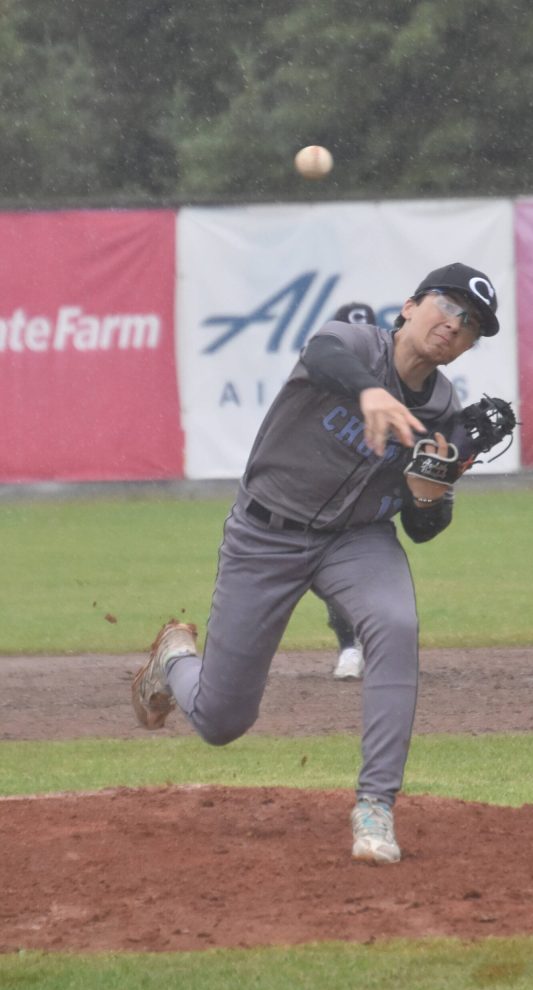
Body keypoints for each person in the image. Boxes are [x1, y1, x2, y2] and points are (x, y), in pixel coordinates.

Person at [132, 261, 500, 865]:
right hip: (265, 533)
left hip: (356, 541)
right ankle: (174, 656)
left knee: (396, 625)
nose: (456, 325)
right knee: (221, 720)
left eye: (472, 324)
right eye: (449, 306)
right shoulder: (355, 345)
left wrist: (435, 488)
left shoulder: (442, 409)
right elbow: (324, 350)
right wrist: (369, 390)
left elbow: (422, 525)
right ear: (410, 306)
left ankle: (375, 804)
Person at [323, 301, 378, 680]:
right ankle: (349, 646)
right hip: (324, 493)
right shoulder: (318, 379)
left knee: (372, 571)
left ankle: (370, 644)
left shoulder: (392, 379)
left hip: (371, 493)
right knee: (331, 577)